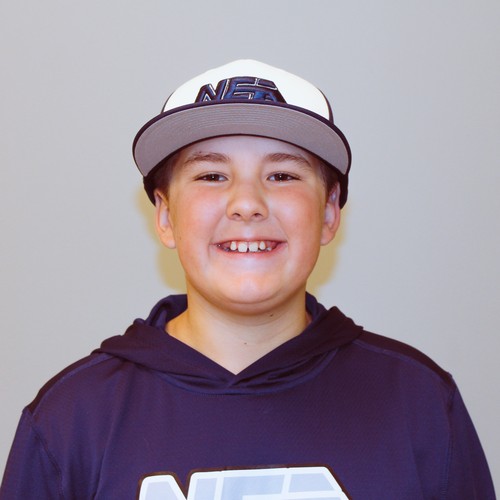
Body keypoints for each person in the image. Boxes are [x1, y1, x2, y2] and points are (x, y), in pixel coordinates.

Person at [0, 60, 495, 500]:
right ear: (166, 217)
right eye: (211, 176)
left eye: (282, 175)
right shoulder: (71, 419)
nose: (247, 203)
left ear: (328, 214)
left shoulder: (420, 403)